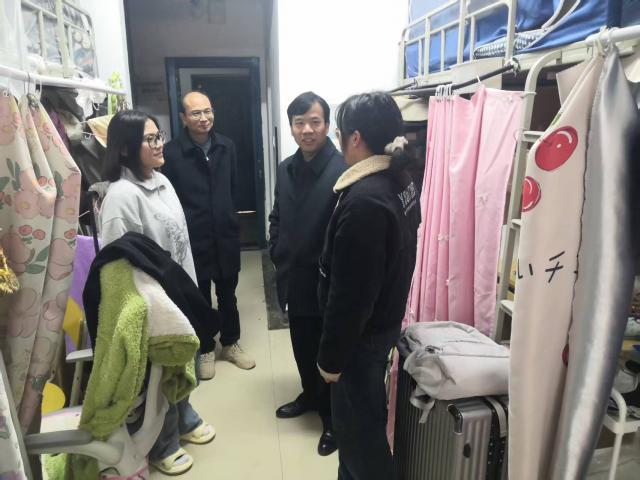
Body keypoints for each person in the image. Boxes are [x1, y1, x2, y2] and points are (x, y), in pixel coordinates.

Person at [99, 110, 216, 476]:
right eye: (148, 139)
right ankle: (163, 442)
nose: (158, 143)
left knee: (184, 361)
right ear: (124, 149)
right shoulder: (121, 197)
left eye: (158, 135)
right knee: (159, 375)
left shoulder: (162, 181)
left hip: (181, 290)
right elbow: (119, 265)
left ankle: (185, 418)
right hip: (154, 301)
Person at [316, 92, 420, 480]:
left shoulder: (365, 201)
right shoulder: (399, 177)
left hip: (360, 340)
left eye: (339, 133)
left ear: (355, 138)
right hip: (381, 323)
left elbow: (352, 298)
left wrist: (331, 360)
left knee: (363, 443)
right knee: (354, 433)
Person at [268, 92, 346, 456]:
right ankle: (309, 396)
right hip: (293, 278)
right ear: (291, 127)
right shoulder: (286, 168)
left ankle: (332, 419)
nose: (307, 130)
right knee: (301, 345)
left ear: (327, 125)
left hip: (326, 282)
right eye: (299, 123)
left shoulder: (342, 170)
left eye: (315, 122)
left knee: (326, 353)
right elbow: (277, 216)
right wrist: (276, 250)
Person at [163, 91, 255, 377]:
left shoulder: (227, 146)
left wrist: (230, 217)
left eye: (208, 111)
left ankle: (230, 343)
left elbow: (233, 187)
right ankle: (205, 348)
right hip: (194, 237)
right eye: (196, 113)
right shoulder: (171, 153)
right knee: (199, 297)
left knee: (228, 295)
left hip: (225, 235)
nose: (204, 118)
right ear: (183, 118)